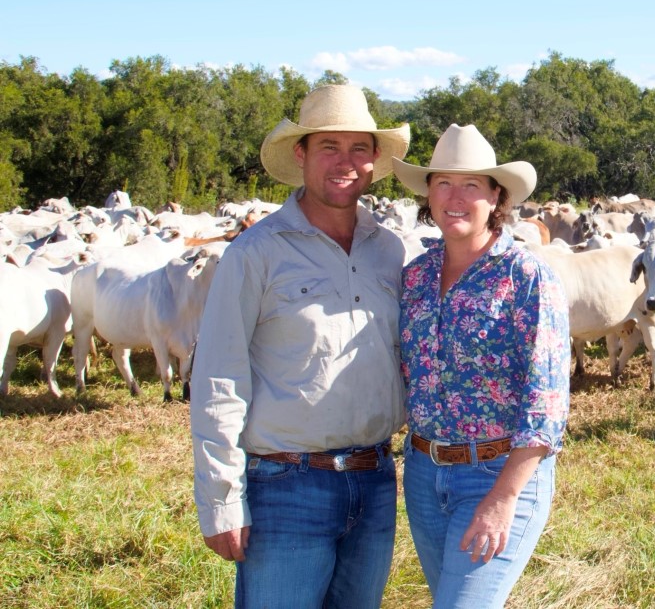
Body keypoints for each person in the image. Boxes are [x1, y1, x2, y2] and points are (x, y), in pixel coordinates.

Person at [190, 84, 411, 609]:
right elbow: (219, 375)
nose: (345, 162)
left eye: (359, 148)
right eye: (328, 147)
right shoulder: (256, 252)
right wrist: (221, 501)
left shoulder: (389, 249)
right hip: (286, 485)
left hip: (375, 478)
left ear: (374, 159)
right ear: (301, 154)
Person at [392, 124, 571, 608]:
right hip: (425, 474)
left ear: (497, 196)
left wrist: (503, 497)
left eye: (471, 184)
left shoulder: (526, 277)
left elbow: (547, 402)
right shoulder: (415, 277)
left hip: (496, 473)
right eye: (443, 182)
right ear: (427, 193)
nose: (455, 196)